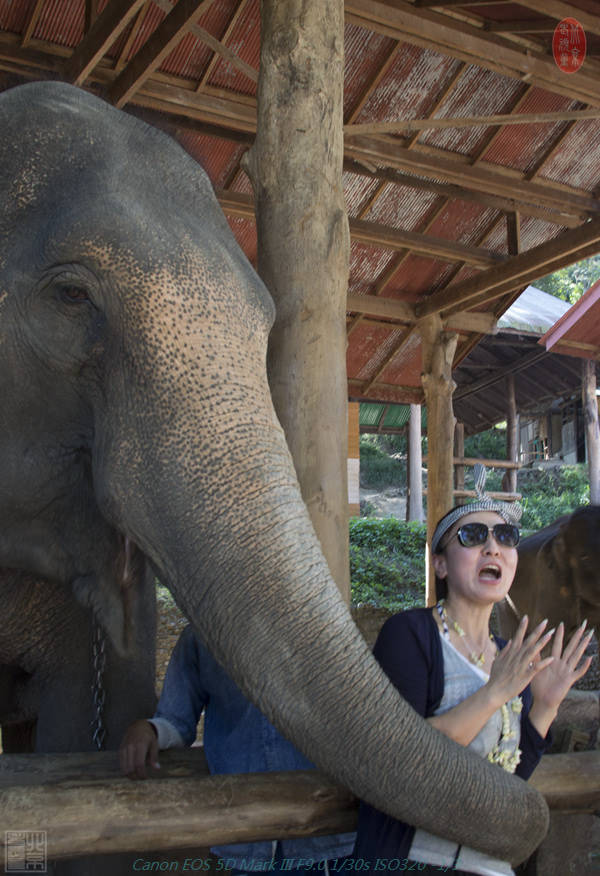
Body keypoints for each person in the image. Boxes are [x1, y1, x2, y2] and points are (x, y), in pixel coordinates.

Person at [353, 465, 593, 876]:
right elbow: (404, 761)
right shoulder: (409, 634)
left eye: (505, 537)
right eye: (472, 536)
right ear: (441, 566)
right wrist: (494, 694)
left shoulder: (508, 656)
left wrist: (545, 707)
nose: (493, 548)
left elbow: (508, 779)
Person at [120, 624, 355, 875]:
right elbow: (177, 720)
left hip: (328, 838)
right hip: (248, 840)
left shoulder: (319, 621)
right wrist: (150, 730)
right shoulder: (200, 635)